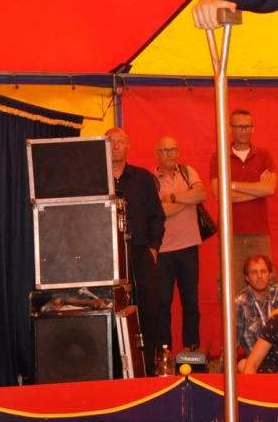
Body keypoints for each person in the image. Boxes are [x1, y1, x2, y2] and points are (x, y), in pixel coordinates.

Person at [106, 127, 166, 375]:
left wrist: (153, 248)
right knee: (110, 310)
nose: (116, 146)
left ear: (128, 147)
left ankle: (147, 366)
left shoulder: (142, 178)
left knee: (150, 309)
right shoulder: (94, 177)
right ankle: (114, 369)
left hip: (140, 253)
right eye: (111, 141)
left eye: (121, 142)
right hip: (106, 257)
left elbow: (157, 216)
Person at [210, 109, 277, 297]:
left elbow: (270, 189)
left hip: (259, 232)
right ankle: (234, 319)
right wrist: (257, 190)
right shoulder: (219, 156)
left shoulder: (264, 155)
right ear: (230, 128)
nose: (243, 130)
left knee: (265, 285)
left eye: (247, 126)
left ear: (253, 128)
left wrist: (233, 185)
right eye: (238, 126)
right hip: (230, 233)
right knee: (231, 286)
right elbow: (219, 195)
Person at [154, 135, 206, 353]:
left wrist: (173, 197)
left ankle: (192, 349)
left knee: (191, 302)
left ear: (178, 152)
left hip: (189, 247)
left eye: (173, 149)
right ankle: (164, 351)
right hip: (163, 251)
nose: (170, 154)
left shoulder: (187, 172)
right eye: (165, 150)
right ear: (157, 154)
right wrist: (187, 200)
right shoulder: (151, 179)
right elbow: (159, 211)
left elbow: (201, 194)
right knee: (162, 304)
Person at [234, 254, 278, 368]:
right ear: (247, 277)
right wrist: (221, 374)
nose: (259, 276)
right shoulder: (240, 303)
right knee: (242, 365)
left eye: (263, 271)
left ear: (270, 275)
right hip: (259, 364)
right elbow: (231, 343)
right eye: (254, 272)